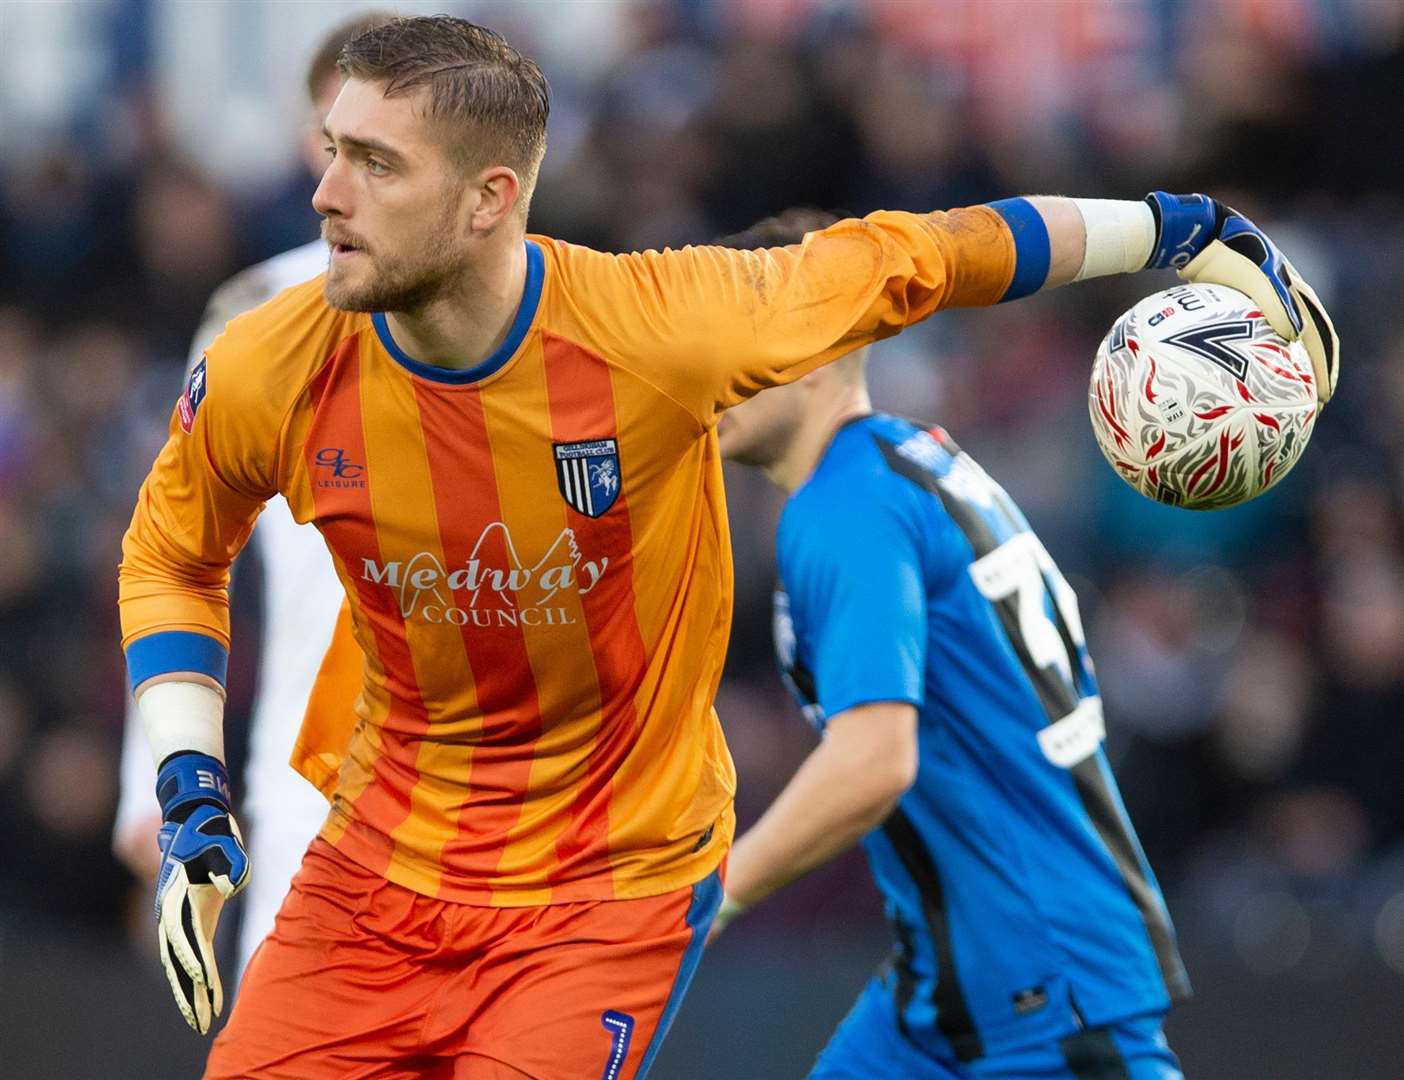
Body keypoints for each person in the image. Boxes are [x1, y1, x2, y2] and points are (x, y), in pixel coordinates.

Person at [116, 15, 1336, 1079]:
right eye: (333, 150)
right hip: (378, 872)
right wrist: (185, 785)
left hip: (604, 887)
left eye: (374, 163)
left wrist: (1181, 226)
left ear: (491, 197)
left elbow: (933, 256)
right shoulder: (269, 361)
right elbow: (170, 553)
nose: (325, 191)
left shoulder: (669, 329)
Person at [709, 209, 1189, 1079]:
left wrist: (715, 895)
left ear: (820, 343)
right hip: (951, 984)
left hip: (1041, 989)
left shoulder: (845, 508)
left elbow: (874, 760)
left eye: (734, 336)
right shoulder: (913, 463)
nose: (708, 371)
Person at [112, 11, 386, 982]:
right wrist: (156, 783)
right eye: (337, 136)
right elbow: (180, 550)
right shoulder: (253, 319)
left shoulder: (534, 298)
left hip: (505, 777)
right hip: (308, 771)